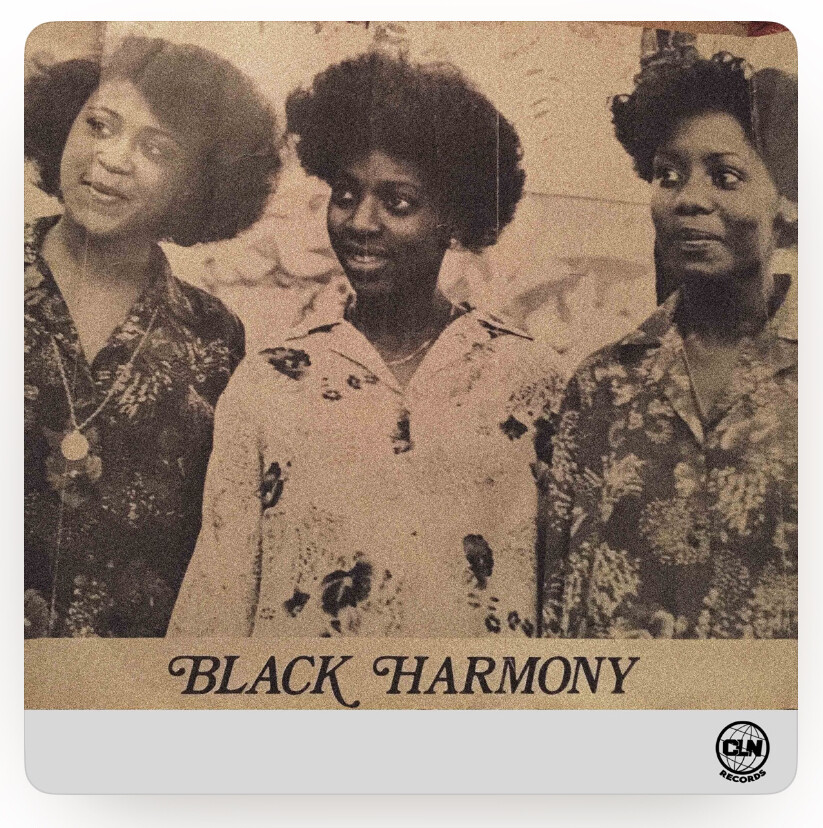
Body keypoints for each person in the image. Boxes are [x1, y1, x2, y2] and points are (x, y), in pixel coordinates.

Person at [169, 52, 565, 638]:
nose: (360, 222)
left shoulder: (530, 378)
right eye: (347, 194)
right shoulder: (268, 382)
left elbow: (557, 596)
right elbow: (217, 596)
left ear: (455, 218)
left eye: (398, 202)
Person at [24, 36, 281, 637]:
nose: (112, 158)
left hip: (132, 688)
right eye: (99, 125)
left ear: (195, 184)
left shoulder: (214, 338)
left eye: (155, 147)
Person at [540, 49, 798, 639]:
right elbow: (560, 606)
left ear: (785, 202)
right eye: (668, 174)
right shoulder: (603, 386)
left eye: (725, 176)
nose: (689, 199)